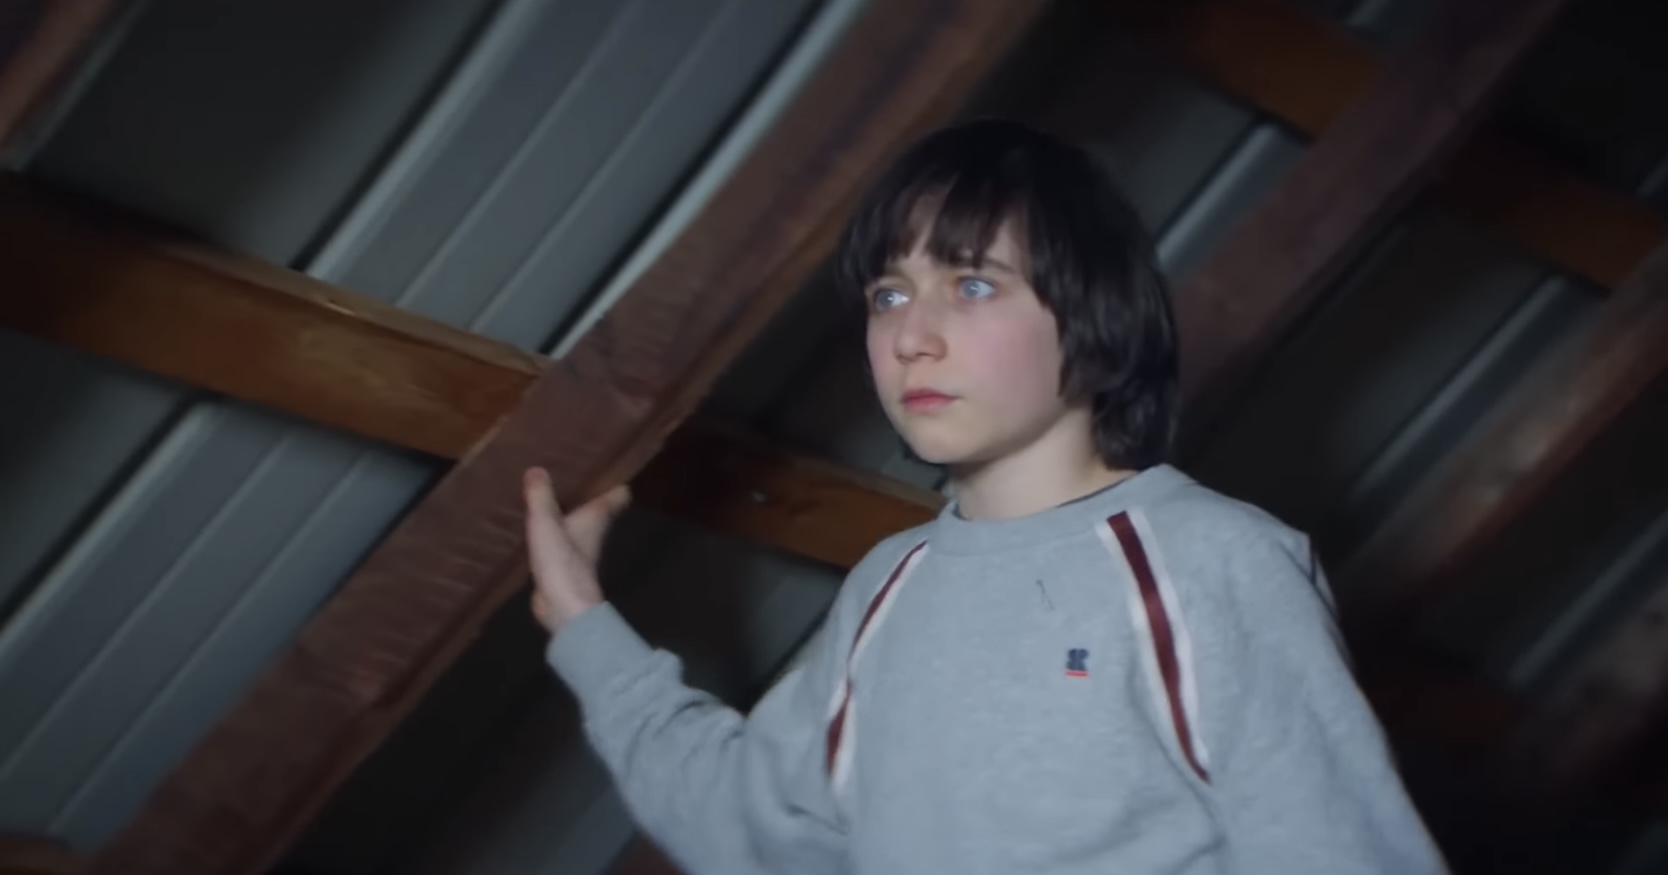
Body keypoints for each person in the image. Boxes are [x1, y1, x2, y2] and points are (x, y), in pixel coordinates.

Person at [522, 119, 1448, 874]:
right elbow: (752, 826)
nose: (911, 337)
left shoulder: (1210, 563)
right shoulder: (889, 584)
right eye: (889, 295)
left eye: (971, 283)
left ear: (1093, 316)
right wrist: (581, 622)